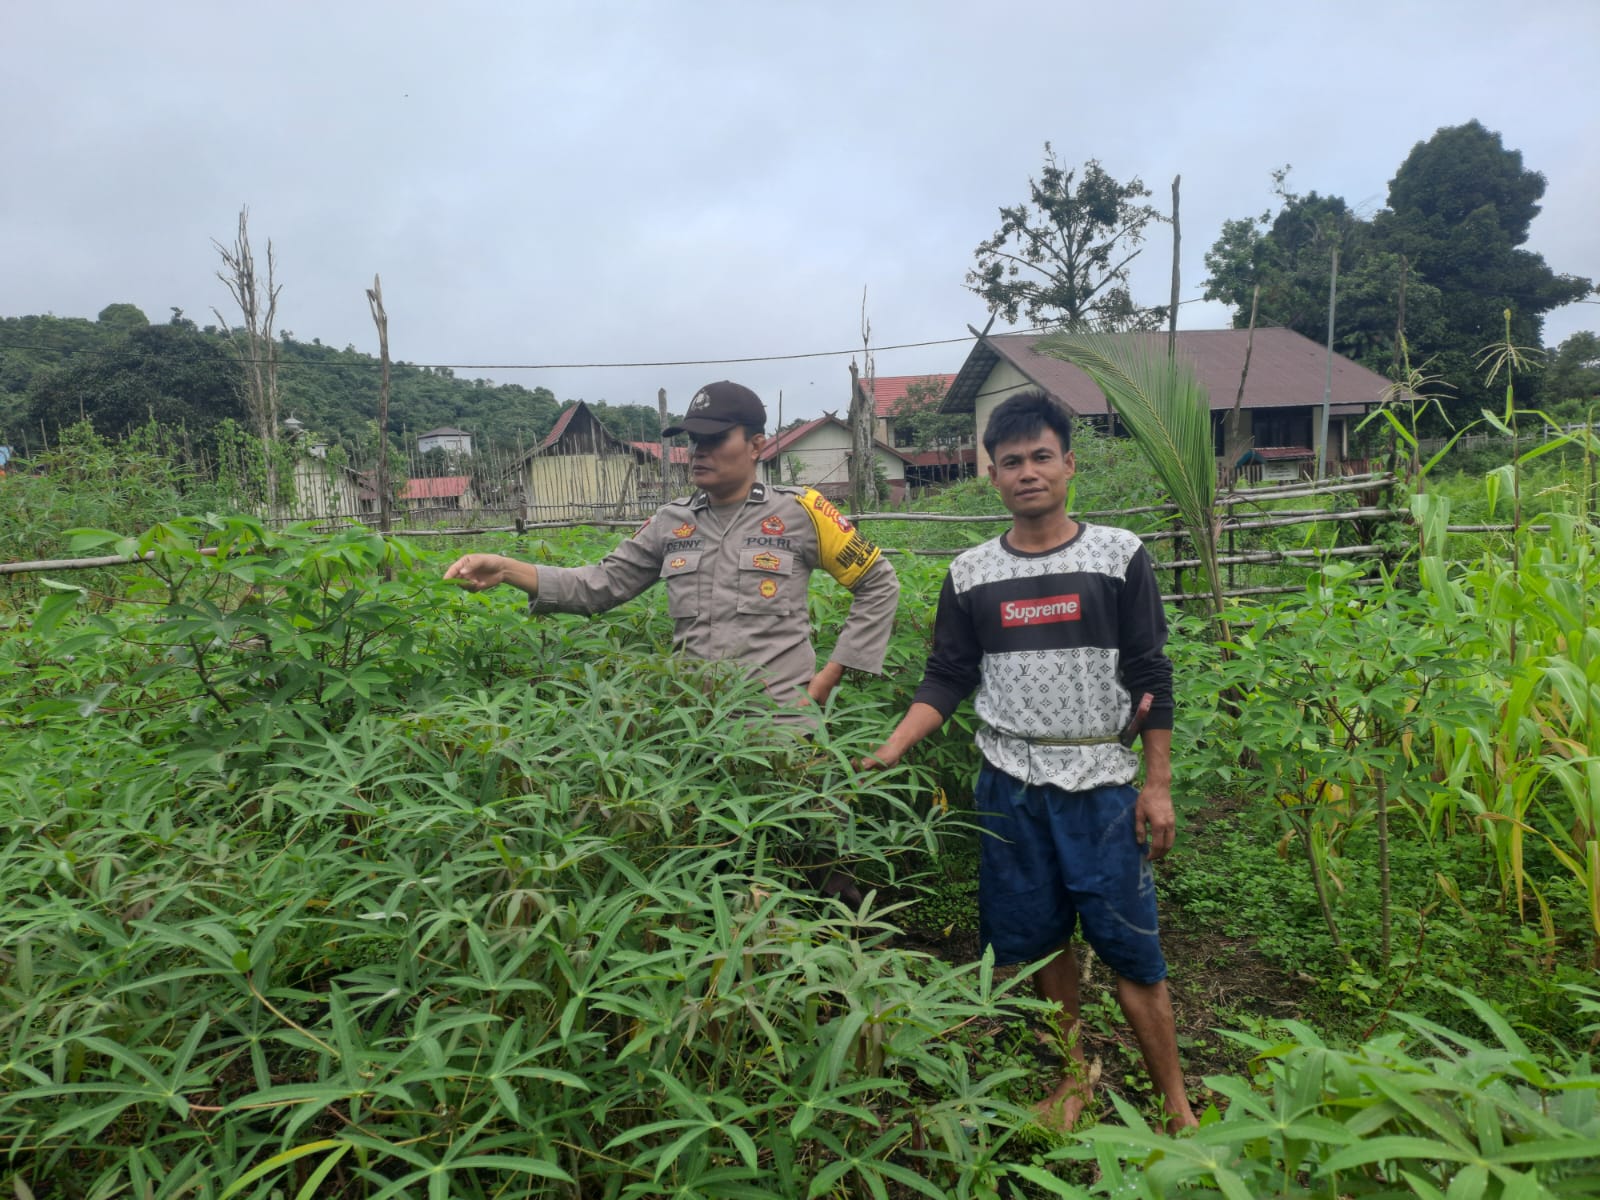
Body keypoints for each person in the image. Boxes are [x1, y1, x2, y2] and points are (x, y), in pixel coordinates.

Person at [862, 389, 1196, 1133]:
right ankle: (1074, 1079)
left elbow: (1151, 676)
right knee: (1042, 941)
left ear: (1069, 464)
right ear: (990, 475)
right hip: (1010, 787)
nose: (1027, 472)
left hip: (1101, 789)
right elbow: (949, 675)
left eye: (1041, 457)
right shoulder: (972, 574)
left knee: (1132, 949)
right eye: (1010, 462)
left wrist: (1158, 784)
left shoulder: (1118, 557)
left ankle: (1176, 1103)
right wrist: (892, 745)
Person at [444, 380, 900, 895]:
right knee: (710, 877)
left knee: (817, 873)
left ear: (755, 445)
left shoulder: (804, 511)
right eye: (691, 440)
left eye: (714, 439)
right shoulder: (671, 522)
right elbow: (599, 584)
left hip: (782, 733)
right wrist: (506, 568)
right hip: (694, 734)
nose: (698, 452)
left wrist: (832, 674)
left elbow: (877, 582)